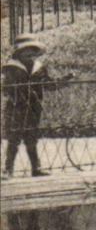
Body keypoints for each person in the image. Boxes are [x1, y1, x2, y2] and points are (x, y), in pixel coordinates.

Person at [2, 36, 68, 177]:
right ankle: (8, 169)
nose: (31, 53)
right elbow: (6, 88)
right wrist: (18, 94)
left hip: (33, 107)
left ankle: (36, 168)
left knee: (32, 137)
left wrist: (64, 80)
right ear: (19, 52)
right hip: (16, 107)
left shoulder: (39, 68)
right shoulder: (11, 67)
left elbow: (49, 84)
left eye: (33, 50)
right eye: (27, 50)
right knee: (14, 137)